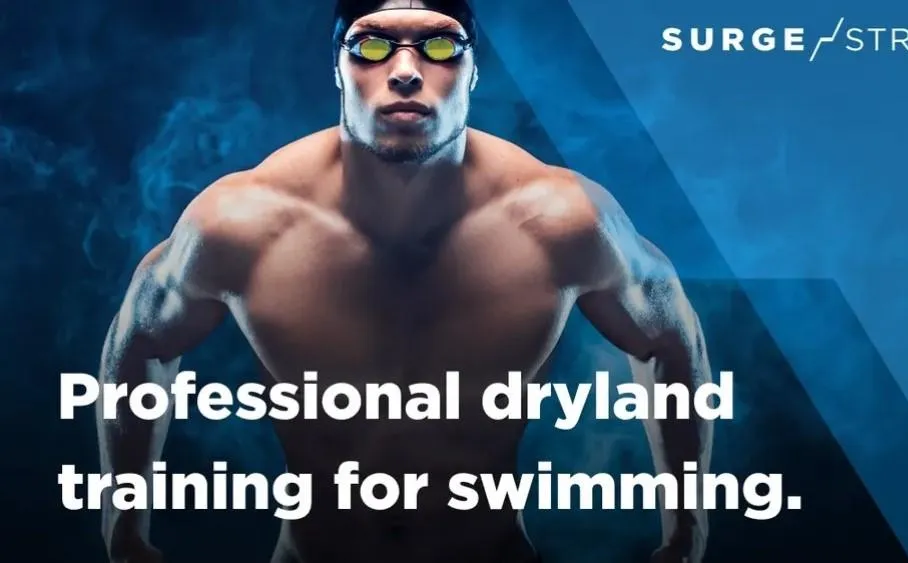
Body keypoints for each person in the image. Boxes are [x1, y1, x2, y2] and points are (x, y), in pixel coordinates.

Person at [96, 0, 713, 562]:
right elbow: (142, 340)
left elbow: (670, 337)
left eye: (440, 46)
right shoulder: (243, 221)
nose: (406, 70)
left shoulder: (561, 219)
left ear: (473, 73)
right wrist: (122, 527)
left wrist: (687, 529)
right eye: (372, 45)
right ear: (338, 69)